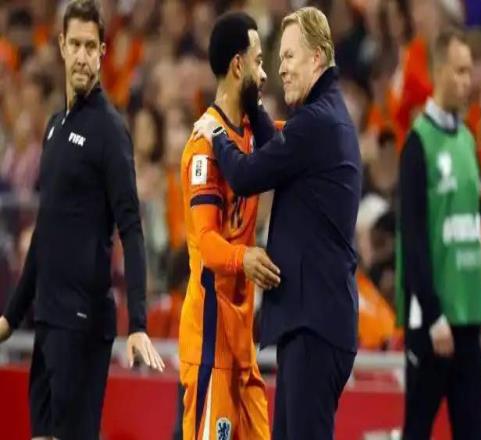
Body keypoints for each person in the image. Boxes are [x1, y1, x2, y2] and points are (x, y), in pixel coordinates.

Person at [193, 7, 361, 439]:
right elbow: (279, 151)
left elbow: (249, 174)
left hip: (314, 325)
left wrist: (216, 133)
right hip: (316, 322)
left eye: (288, 56)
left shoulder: (318, 122)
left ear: (317, 57)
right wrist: (251, 101)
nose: (280, 68)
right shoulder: (324, 116)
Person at [0, 1, 164, 439]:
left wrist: (139, 324)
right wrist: (11, 317)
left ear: (103, 52)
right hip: (48, 319)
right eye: (75, 44)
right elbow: (45, 233)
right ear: (60, 46)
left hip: (83, 321)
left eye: (91, 46)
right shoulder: (54, 127)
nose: (82, 55)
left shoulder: (110, 131)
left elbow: (131, 227)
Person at [178, 11, 280, 440]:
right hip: (210, 341)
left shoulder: (252, 133)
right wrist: (246, 257)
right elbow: (207, 242)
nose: (265, 73)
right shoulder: (204, 146)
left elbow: (295, 145)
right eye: (258, 62)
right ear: (238, 65)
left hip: (242, 342)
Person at [396, 29, 481, 440]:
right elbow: (413, 238)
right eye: (459, 71)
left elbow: (470, 233)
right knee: (417, 430)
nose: (467, 80)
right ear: (438, 72)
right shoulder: (417, 144)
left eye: (470, 71)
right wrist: (433, 313)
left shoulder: (469, 142)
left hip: (468, 317)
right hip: (432, 323)